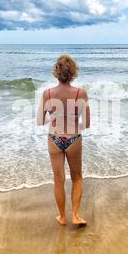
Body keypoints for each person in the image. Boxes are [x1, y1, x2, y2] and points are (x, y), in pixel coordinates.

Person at [37, 55, 90, 227]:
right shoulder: (80, 93)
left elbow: (39, 121)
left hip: (54, 138)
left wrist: (56, 117)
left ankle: (62, 217)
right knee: (77, 178)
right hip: (73, 138)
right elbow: (87, 123)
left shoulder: (48, 94)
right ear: (73, 72)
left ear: (56, 72)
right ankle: (75, 215)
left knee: (58, 179)